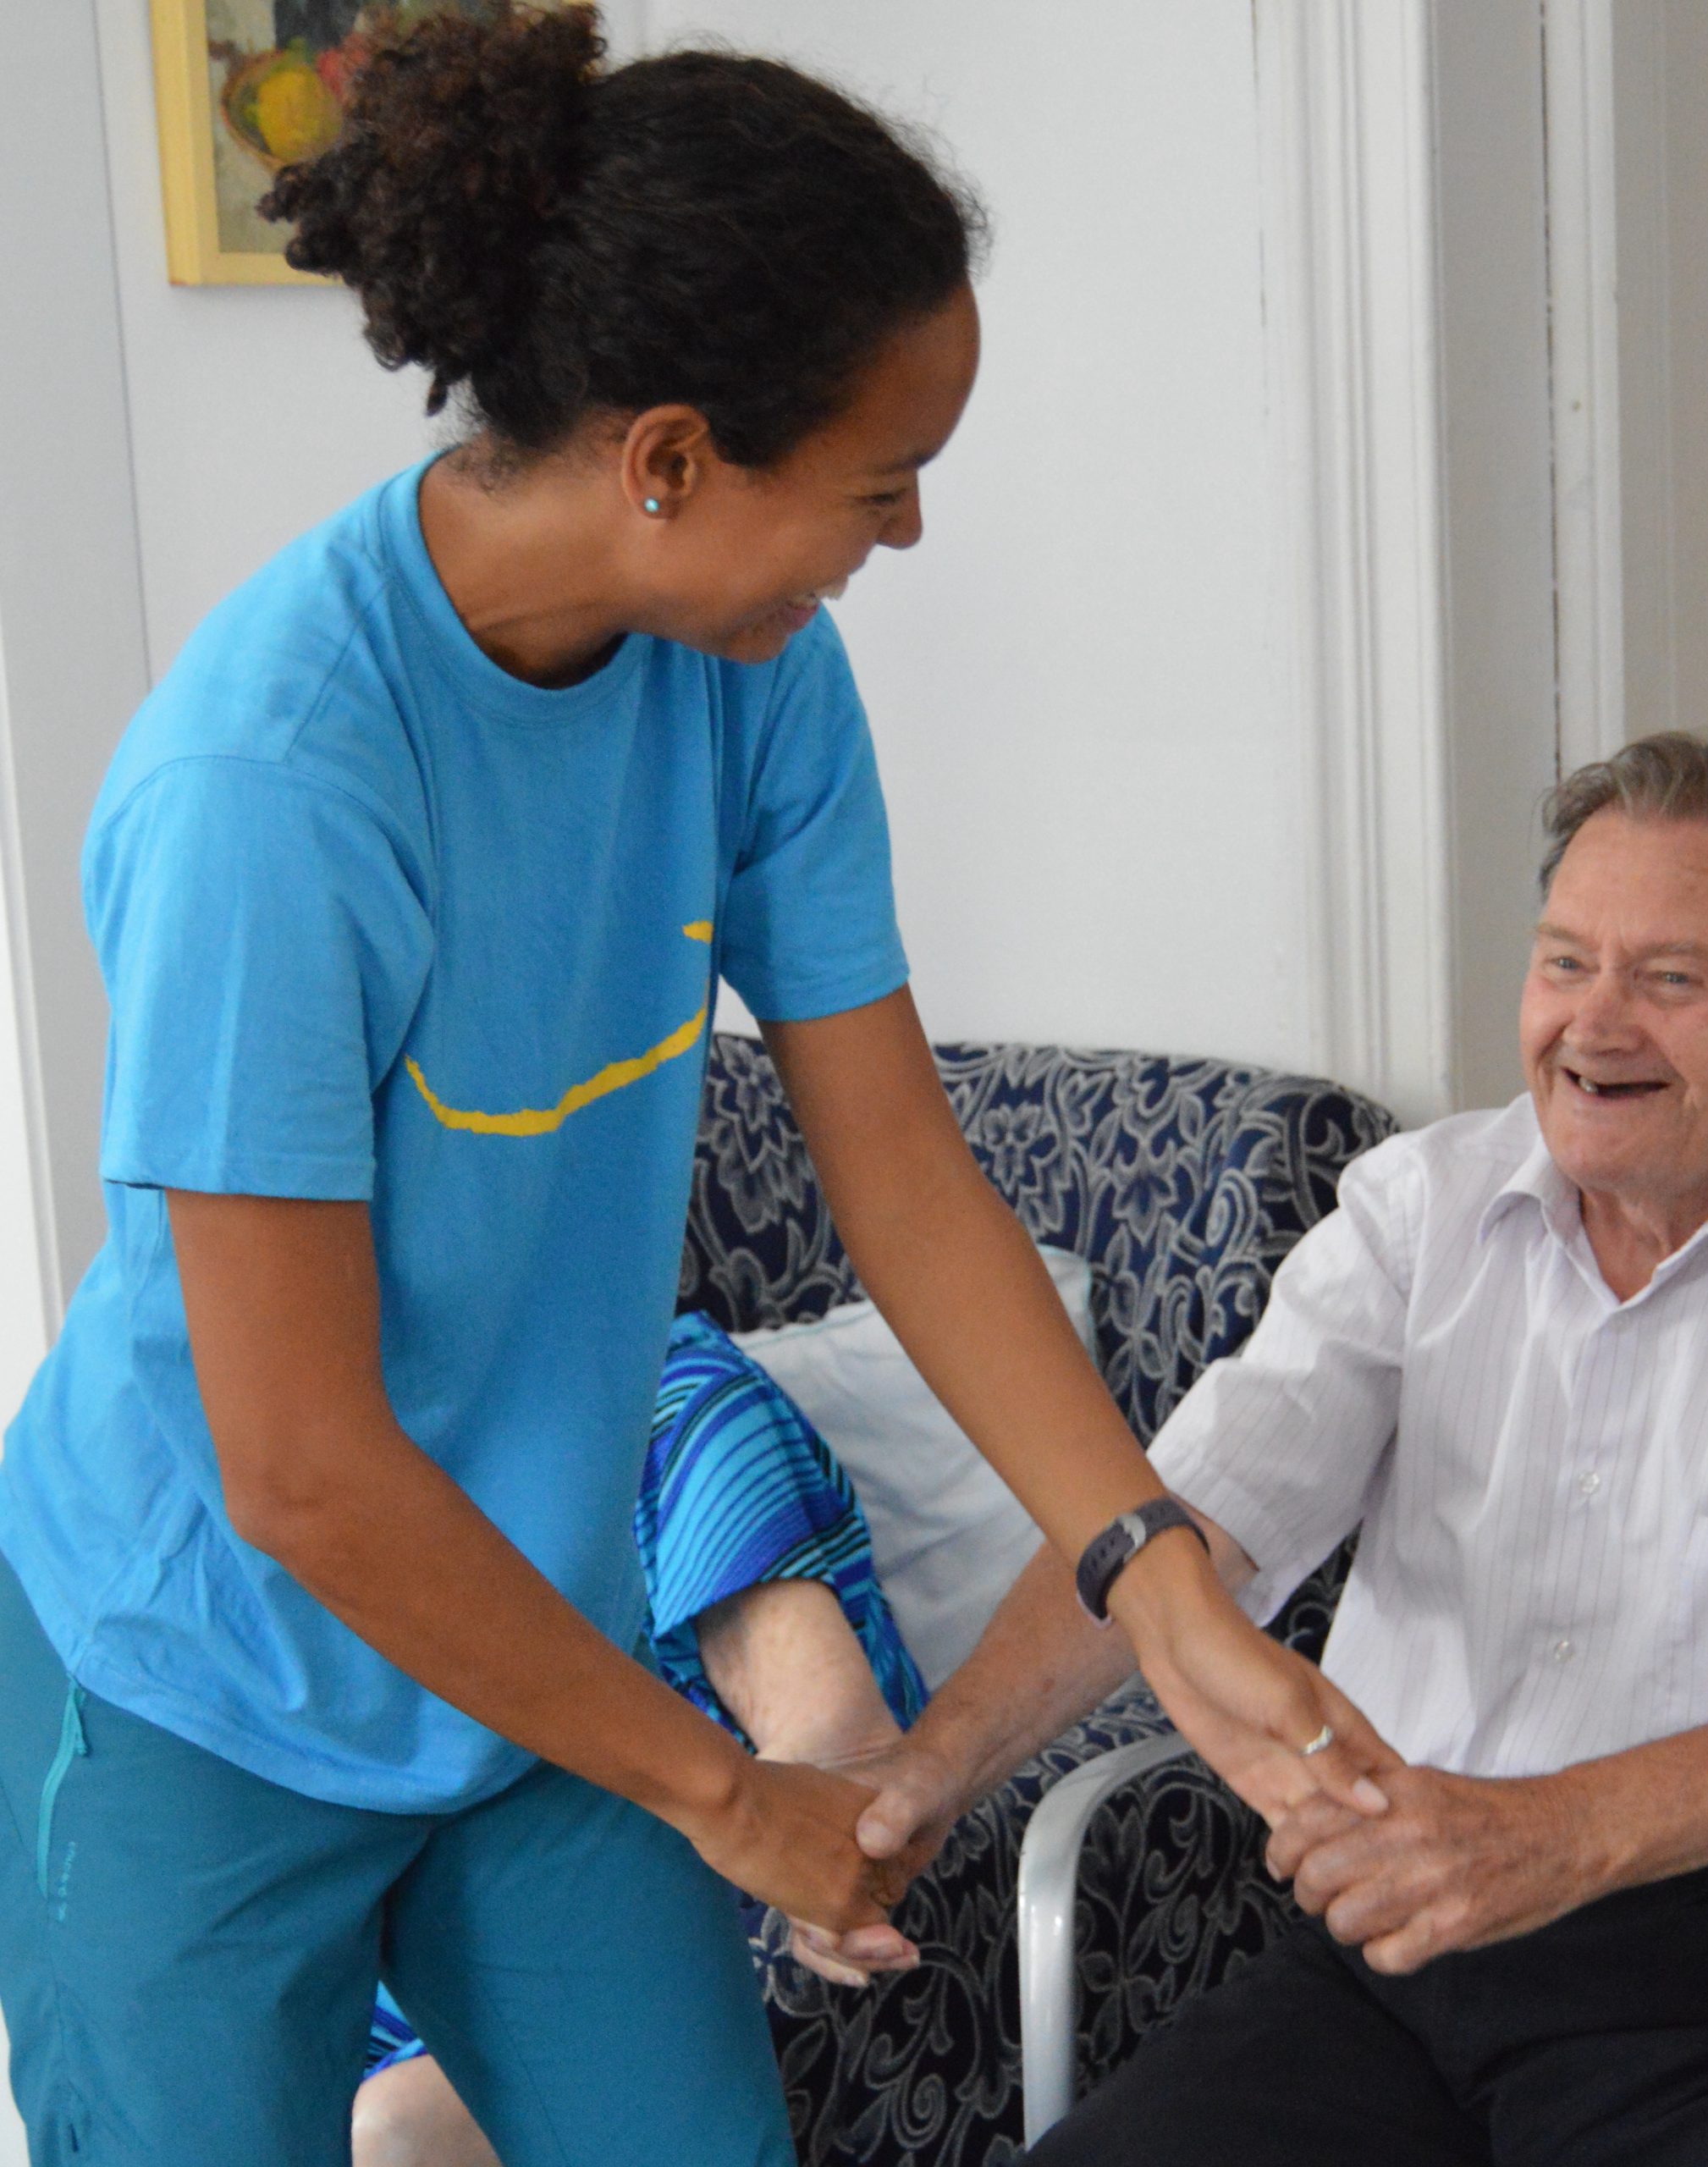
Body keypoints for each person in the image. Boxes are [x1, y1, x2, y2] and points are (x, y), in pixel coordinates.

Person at [0, 11, 1388, 2164]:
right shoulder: (273, 788)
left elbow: (901, 1166)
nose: (906, 531)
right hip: (210, 1678)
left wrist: (1147, 1562)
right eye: (875, 478)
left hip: (525, 1654)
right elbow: (297, 1464)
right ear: (666, 461)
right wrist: (726, 1785)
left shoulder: (753, 682)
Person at [819, 733, 1708, 2167]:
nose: (1592, 1024)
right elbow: (1180, 1529)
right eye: (1564, 963)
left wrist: (1548, 1837)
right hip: (1399, 1967)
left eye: (1669, 980)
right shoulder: (1419, 1210)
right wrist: (929, 1768)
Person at [355, 1312, 926, 2167]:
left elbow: (833, 1733)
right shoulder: (346, 1468)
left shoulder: (674, 1400)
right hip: (407, 1945)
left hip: (636, 1930)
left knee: (392, 2132)